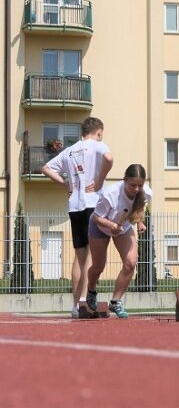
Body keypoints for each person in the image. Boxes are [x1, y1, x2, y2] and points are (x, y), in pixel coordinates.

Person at [42, 117, 113, 318]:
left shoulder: (70, 150)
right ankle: (85, 302)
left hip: (75, 206)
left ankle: (75, 304)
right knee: (92, 253)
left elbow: (46, 168)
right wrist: (99, 180)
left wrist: (66, 184)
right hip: (93, 204)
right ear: (98, 132)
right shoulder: (98, 145)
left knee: (80, 256)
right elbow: (109, 158)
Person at [85, 164, 153, 318]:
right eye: (132, 185)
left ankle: (116, 301)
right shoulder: (110, 194)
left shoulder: (146, 192)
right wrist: (111, 226)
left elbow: (139, 206)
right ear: (125, 180)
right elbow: (97, 217)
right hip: (100, 227)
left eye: (140, 185)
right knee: (98, 266)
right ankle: (91, 289)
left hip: (124, 228)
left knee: (131, 262)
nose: (136, 189)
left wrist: (139, 222)